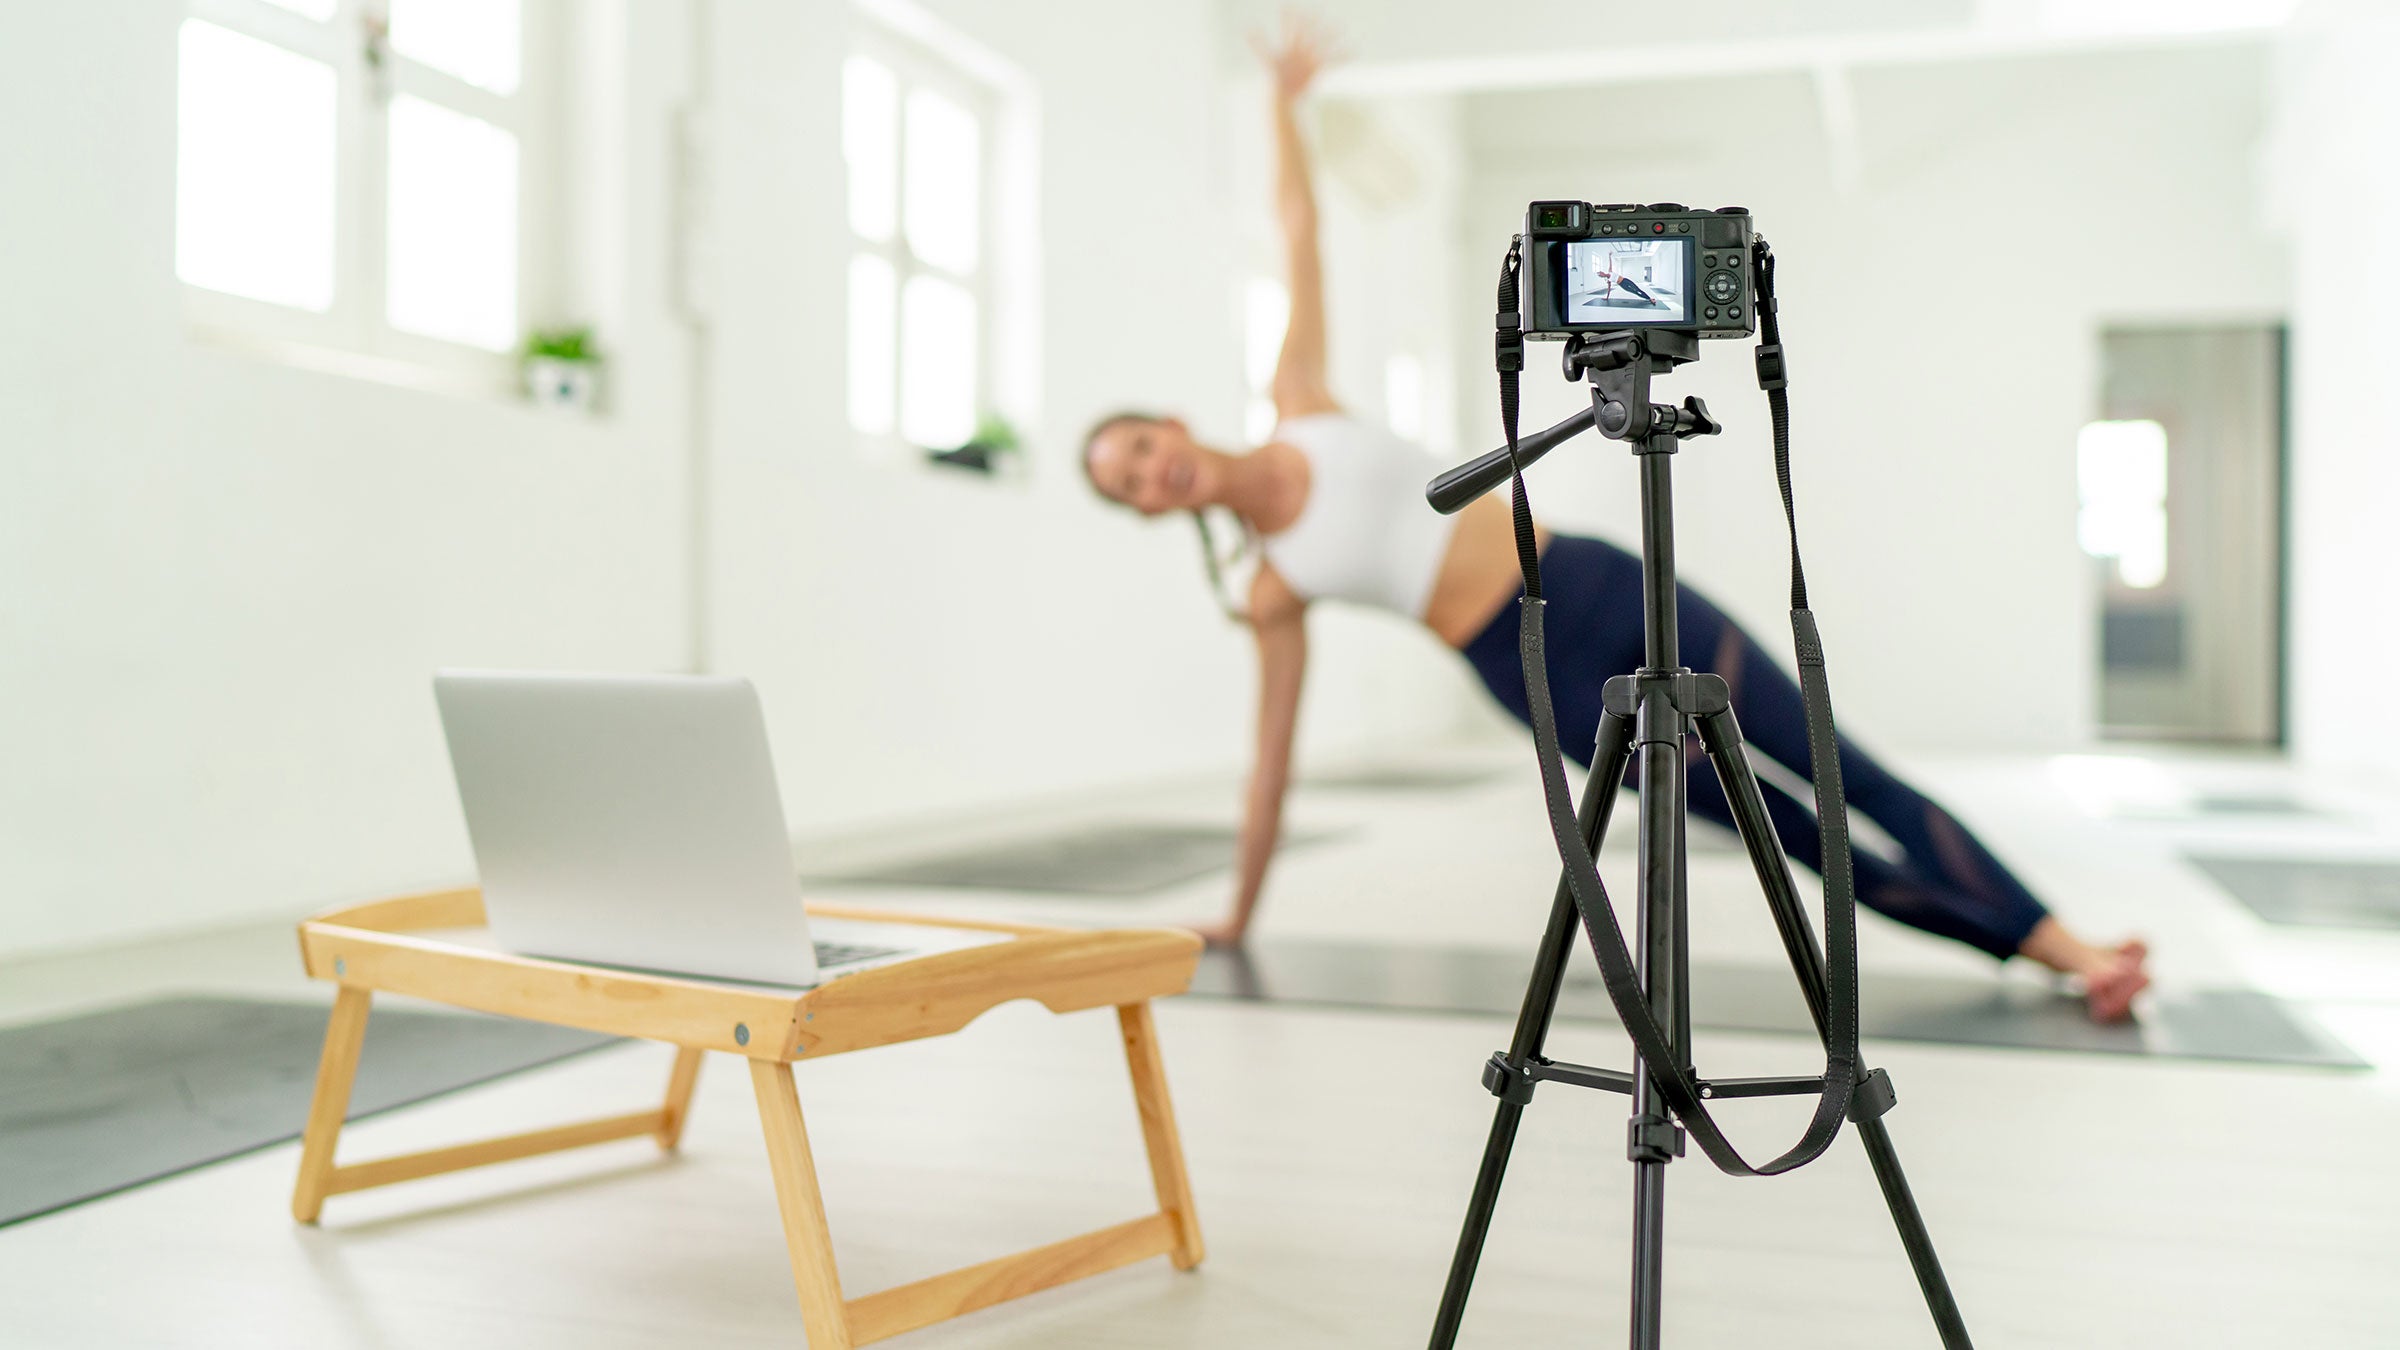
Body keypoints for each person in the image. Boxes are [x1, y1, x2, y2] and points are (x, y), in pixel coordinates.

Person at [1081, 17, 2151, 1022]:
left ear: (1170, 426)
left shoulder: (1299, 401)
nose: (1148, 475)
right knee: (1784, 832)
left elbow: (1299, 227)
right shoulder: (1273, 585)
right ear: (1143, 510)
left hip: (1596, 577)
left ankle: (2070, 941)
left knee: (1840, 768)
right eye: (1127, 485)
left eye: (1138, 450)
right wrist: (1238, 913)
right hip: (1534, 671)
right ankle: (2052, 958)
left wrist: (1282, 101)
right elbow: (1272, 761)